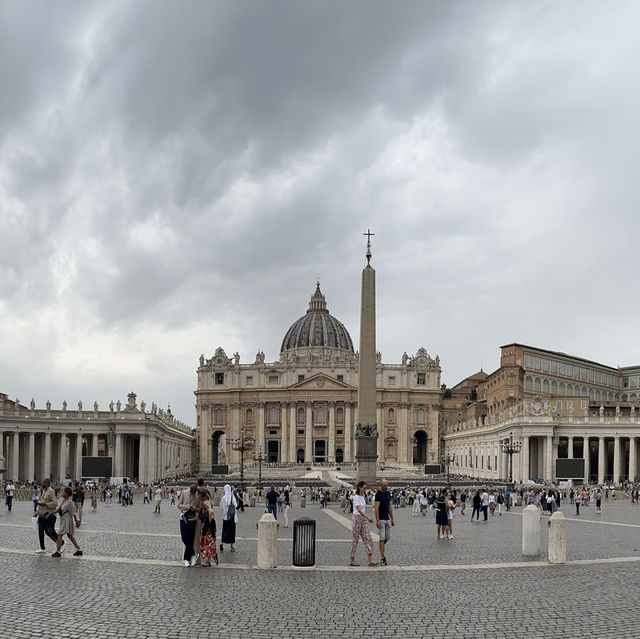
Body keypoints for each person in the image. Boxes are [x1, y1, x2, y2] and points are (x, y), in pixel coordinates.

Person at [349, 480, 377, 567]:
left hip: (363, 520)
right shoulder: (356, 497)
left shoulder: (362, 497)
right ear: (360, 488)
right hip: (357, 518)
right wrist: (368, 517)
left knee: (368, 538)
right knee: (355, 540)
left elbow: (363, 509)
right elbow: (359, 510)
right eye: (364, 488)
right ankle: (352, 560)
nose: (365, 489)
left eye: (366, 488)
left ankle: (370, 560)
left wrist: (365, 518)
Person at [52, 486, 83, 557]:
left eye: (64, 492)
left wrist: (76, 521)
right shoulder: (63, 501)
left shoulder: (70, 502)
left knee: (59, 534)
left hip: (67, 520)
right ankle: (79, 550)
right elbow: (59, 509)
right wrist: (51, 513)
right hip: (63, 519)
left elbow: (73, 512)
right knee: (70, 535)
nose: (63, 493)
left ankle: (58, 551)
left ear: (67, 493)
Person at [34, 478, 61, 554]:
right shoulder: (43, 491)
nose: (41, 483)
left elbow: (55, 503)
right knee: (40, 531)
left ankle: (61, 543)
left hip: (48, 514)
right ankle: (42, 548)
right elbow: (43, 501)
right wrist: (37, 512)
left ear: (47, 483)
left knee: (49, 531)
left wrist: (45, 504)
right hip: (41, 514)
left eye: (43, 482)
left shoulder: (51, 491)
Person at [178, 485, 199, 567]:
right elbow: (178, 505)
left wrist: (195, 509)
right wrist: (186, 507)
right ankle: (193, 554)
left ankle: (186, 559)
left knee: (190, 539)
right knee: (184, 538)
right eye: (191, 493)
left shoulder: (197, 496)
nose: (192, 495)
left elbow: (199, 509)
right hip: (183, 517)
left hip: (193, 519)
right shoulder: (184, 493)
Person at [374, 479, 394, 566]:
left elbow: (389, 506)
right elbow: (376, 508)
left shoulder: (388, 493)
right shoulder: (378, 494)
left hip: (387, 518)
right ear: (381, 485)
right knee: (382, 538)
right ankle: (383, 558)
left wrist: (392, 518)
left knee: (387, 537)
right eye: (385, 485)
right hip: (381, 519)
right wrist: (377, 521)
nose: (386, 486)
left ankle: (381, 546)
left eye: (387, 485)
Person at [197, 489, 218, 566]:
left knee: (207, 541)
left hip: (207, 525)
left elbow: (211, 511)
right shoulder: (205, 502)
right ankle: (209, 559)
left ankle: (207, 560)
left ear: (202, 497)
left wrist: (208, 521)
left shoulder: (206, 503)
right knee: (207, 541)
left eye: (199, 496)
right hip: (207, 524)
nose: (198, 498)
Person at [220, 484, 238, 552]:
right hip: (232, 517)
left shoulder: (224, 498)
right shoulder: (232, 496)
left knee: (224, 530)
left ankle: (222, 544)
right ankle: (231, 546)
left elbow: (221, 507)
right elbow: (235, 505)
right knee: (232, 531)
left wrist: (225, 510)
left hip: (225, 517)